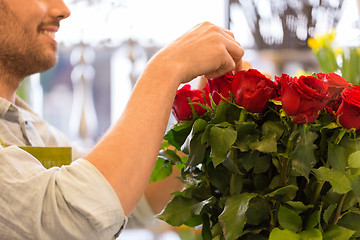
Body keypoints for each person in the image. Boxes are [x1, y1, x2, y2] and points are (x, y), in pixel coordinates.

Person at [0, 0, 244, 239]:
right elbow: (74, 219)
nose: (62, 10)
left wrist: (200, 113)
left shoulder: (26, 124)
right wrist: (165, 68)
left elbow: (134, 199)